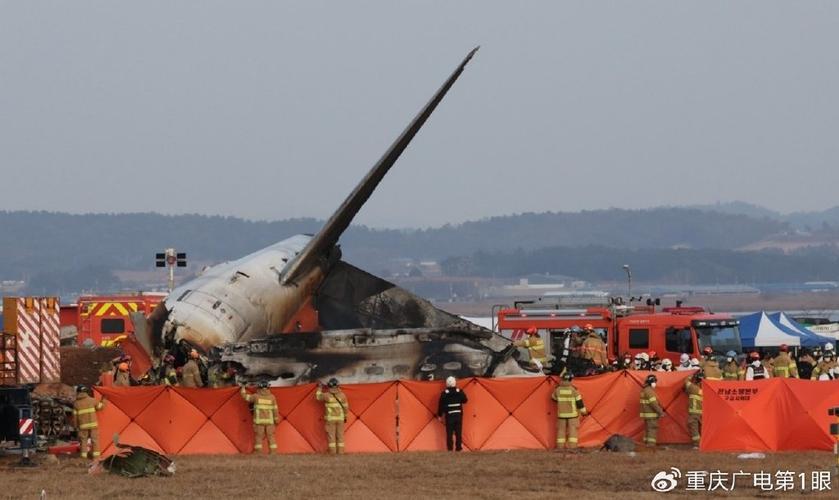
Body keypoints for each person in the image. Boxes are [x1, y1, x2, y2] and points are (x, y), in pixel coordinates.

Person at [240, 381, 279, 454]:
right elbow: (275, 409)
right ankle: (273, 451)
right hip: (270, 422)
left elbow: (245, 397)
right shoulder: (272, 397)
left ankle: (258, 452)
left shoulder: (256, 396)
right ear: (268, 387)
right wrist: (276, 420)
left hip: (259, 422)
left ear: (259, 387)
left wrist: (243, 388)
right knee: (271, 437)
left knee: (258, 437)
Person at [551, 372, 587, 450]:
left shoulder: (557, 389)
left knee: (561, 430)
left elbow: (553, 398)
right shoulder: (574, 390)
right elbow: (579, 403)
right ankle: (572, 447)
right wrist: (584, 412)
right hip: (572, 415)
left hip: (561, 415)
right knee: (572, 431)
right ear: (570, 380)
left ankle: (560, 447)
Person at [316, 378, 349, 454]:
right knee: (340, 436)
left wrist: (319, 388)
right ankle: (341, 452)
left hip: (331, 419)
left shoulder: (327, 395)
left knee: (331, 436)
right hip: (340, 419)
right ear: (338, 386)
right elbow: (346, 407)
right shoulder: (342, 395)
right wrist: (345, 417)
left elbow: (318, 397)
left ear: (329, 386)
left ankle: (333, 452)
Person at [73, 385, 106, 459]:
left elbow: (75, 417)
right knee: (95, 441)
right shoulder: (92, 400)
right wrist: (104, 400)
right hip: (93, 425)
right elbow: (100, 407)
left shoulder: (76, 403)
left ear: (78, 393)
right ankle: (96, 458)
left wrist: (75, 427)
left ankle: (83, 458)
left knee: (83, 442)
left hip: (82, 426)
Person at [437, 376, 468, 452]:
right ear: (455, 383)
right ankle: (458, 448)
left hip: (449, 416)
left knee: (449, 433)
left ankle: (450, 449)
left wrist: (439, 415)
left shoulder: (444, 393)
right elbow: (465, 400)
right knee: (458, 432)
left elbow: (441, 405)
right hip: (458, 415)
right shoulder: (459, 391)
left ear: (447, 384)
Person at [639, 374, 664, 447]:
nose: (655, 384)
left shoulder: (644, 390)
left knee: (647, 429)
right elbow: (654, 404)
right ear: (652, 382)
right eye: (655, 382)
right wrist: (660, 412)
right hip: (651, 415)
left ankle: (646, 444)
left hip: (646, 414)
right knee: (652, 429)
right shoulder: (649, 391)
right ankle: (651, 445)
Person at [683, 372, 703, 448]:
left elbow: (685, 382)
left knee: (693, 427)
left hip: (694, 412)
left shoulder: (693, 388)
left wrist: (691, 374)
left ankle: (697, 444)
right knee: (702, 428)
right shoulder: (704, 389)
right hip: (703, 412)